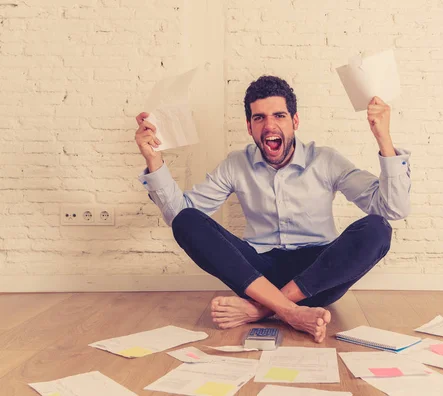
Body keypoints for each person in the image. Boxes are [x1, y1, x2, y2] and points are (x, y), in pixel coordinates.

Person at [135, 76, 411, 343]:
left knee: (377, 228)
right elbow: (178, 215)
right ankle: (290, 310)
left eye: (279, 116)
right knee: (187, 220)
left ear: (295, 121)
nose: (269, 125)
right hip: (257, 274)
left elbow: (392, 209)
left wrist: (383, 139)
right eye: (259, 118)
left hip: (318, 276)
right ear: (249, 126)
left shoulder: (326, 160)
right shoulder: (236, 164)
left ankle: (261, 310)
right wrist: (154, 160)